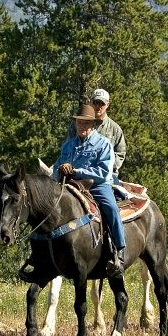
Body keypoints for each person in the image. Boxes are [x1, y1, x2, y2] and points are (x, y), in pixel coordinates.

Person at [52, 103, 126, 278]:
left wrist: (77, 171)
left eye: (85, 123)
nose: (81, 126)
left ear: (92, 124)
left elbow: (103, 172)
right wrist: (60, 170)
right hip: (70, 185)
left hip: (97, 185)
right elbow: (55, 168)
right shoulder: (68, 146)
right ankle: (45, 255)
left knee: (111, 208)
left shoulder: (103, 144)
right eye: (78, 123)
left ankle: (119, 251)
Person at [90, 88, 127, 180]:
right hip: (79, 170)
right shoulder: (78, 124)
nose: (98, 106)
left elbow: (120, 154)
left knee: (109, 194)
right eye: (96, 102)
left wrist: (104, 164)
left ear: (107, 105)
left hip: (107, 175)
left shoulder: (115, 129)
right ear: (90, 102)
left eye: (102, 103)